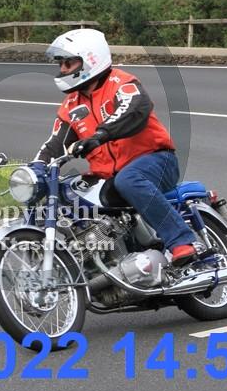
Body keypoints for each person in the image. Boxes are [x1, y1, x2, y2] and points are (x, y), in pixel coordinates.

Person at [30, 28, 202, 266]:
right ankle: (97, 258)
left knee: (129, 179)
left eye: (68, 63)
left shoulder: (121, 83)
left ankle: (181, 241)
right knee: (67, 192)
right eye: (61, 64)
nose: (63, 69)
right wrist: (35, 168)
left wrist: (99, 136)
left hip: (156, 161)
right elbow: (55, 143)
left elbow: (133, 109)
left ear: (90, 59)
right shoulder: (71, 105)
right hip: (108, 175)